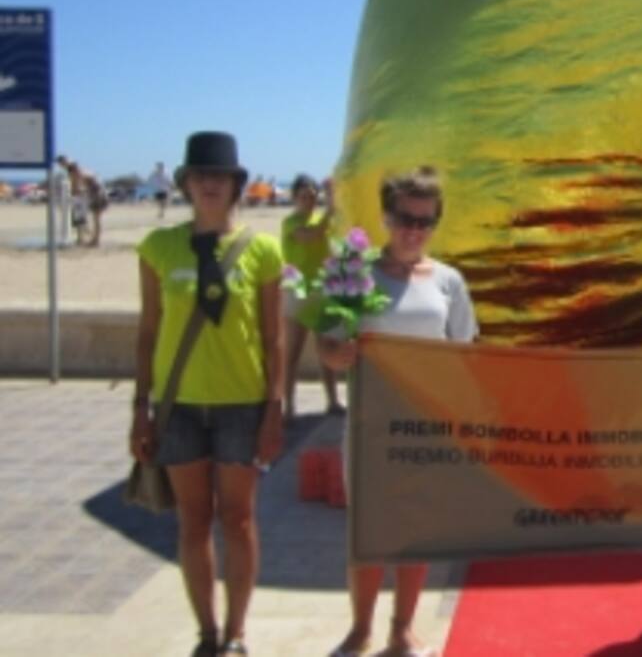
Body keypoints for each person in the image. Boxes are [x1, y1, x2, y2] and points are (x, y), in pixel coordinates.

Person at [128, 131, 285, 656]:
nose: (209, 184)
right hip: (180, 407)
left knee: (239, 519)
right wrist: (139, 410)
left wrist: (274, 409)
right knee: (193, 521)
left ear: (237, 185)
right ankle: (207, 633)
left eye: (219, 176)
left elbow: (273, 337)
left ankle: (238, 633)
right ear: (187, 184)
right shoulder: (158, 247)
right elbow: (148, 332)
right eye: (200, 176)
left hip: (243, 404)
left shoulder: (263, 251)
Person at [319, 167, 477, 657]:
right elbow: (326, 339)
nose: (414, 229)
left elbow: (465, 352)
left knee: (416, 531)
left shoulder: (450, 281)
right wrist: (333, 354)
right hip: (371, 424)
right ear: (386, 217)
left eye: (425, 221)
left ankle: (402, 629)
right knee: (367, 530)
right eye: (405, 218)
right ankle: (361, 627)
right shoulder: (353, 271)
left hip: (426, 426)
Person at [280, 173, 343, 420]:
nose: (308, 200)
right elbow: (311, 235)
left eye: (311, 196)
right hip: (297, 291)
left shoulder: (322, 220)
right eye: (303, 196)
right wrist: (330, 208)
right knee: (292, 353)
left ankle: (333, 400)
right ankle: (288, 406)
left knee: (327, 349)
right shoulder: (291, 222)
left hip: (321, 289)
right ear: (295, 198)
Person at [57, 155, 107, 246]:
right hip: (95, 191)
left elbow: (76, 184)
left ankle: (96, 240)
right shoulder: (73, 168)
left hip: (97, 192)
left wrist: (73, 195)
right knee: (94, 217)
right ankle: (92, 238)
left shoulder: (73, 168)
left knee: (97, 217)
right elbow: (78, 184)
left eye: (61, 163)